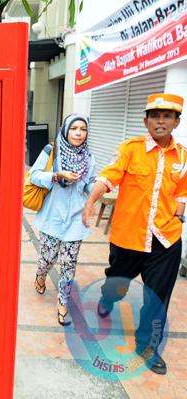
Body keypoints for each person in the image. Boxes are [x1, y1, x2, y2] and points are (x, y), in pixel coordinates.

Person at [82, 93, 187, 375]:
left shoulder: (183, 157)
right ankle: (108, 299)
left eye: (167, 116)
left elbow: (182, 190)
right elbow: (108, 177)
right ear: (145, 121)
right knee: (116, 284)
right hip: (129, 237)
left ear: (177, 122)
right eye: (155, 116)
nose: (160, 121)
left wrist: (179, 207)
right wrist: (91, 201)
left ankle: (148, 346)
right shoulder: (131, 149)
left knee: (157, 297)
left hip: (165, 239)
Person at [31, 113, 97, 326]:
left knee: (69, 263)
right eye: (74, 128)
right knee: (47, 259)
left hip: (76, 219)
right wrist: (58, 175)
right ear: (66, 129)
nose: (79, 133)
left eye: (83, 129)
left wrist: (96, 190)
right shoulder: (52, 150)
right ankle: (41, 275)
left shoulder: (88, 157)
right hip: (53, 218)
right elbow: (34, 175)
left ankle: (63, 302)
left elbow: (88, 185)